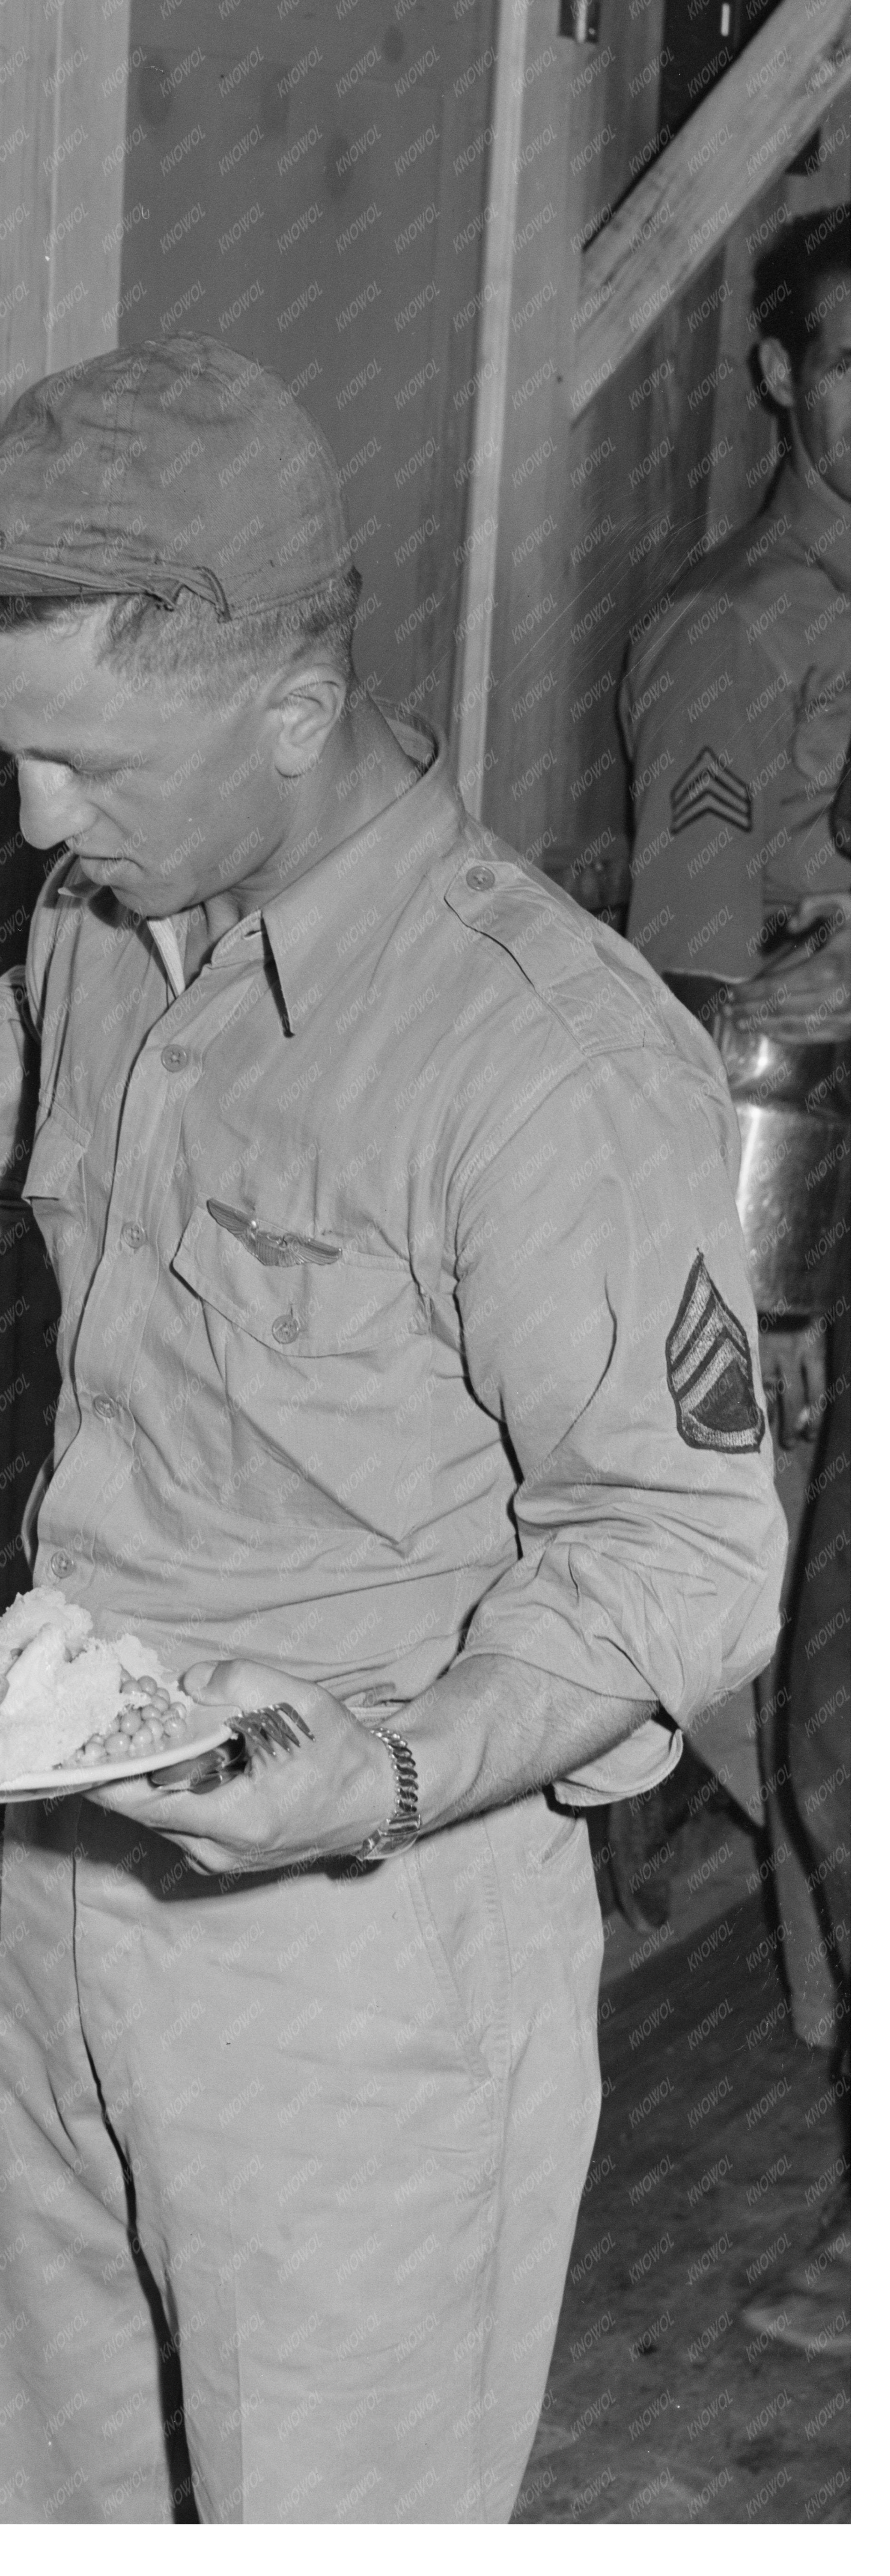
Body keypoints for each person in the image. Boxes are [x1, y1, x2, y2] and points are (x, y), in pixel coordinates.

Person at [0, 337, 788, 2519]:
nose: (36, 822)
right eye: (8, 752)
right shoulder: (127, 913)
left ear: (295, 707)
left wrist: (385, 1778)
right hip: (56, 1861)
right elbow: (67, 1077)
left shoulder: (545, 1060)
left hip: (360, 1950)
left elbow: (683, 1552)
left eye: (84, 763)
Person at [620, 211, 850, 2353]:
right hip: (810, 1221)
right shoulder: (735, 637)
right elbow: (689, 1012)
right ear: (783, 375)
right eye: (860, 363)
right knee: (833, 1712)